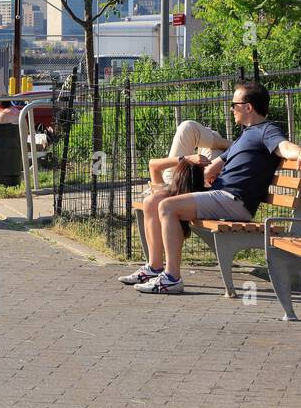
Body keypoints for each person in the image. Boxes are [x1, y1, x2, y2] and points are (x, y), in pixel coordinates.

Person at [121, 81, 301, 294]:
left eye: (234, 104)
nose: (231, 109)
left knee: (168, 207)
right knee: (153, 201)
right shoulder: (244, 136)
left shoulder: (266, 130)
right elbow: (214, 167)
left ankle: (172, 278)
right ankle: (154, 267)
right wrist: (201, 176)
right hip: (220, 195)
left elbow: (285, 147)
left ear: (248, 107)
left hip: (234, 200)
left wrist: (299, 153)